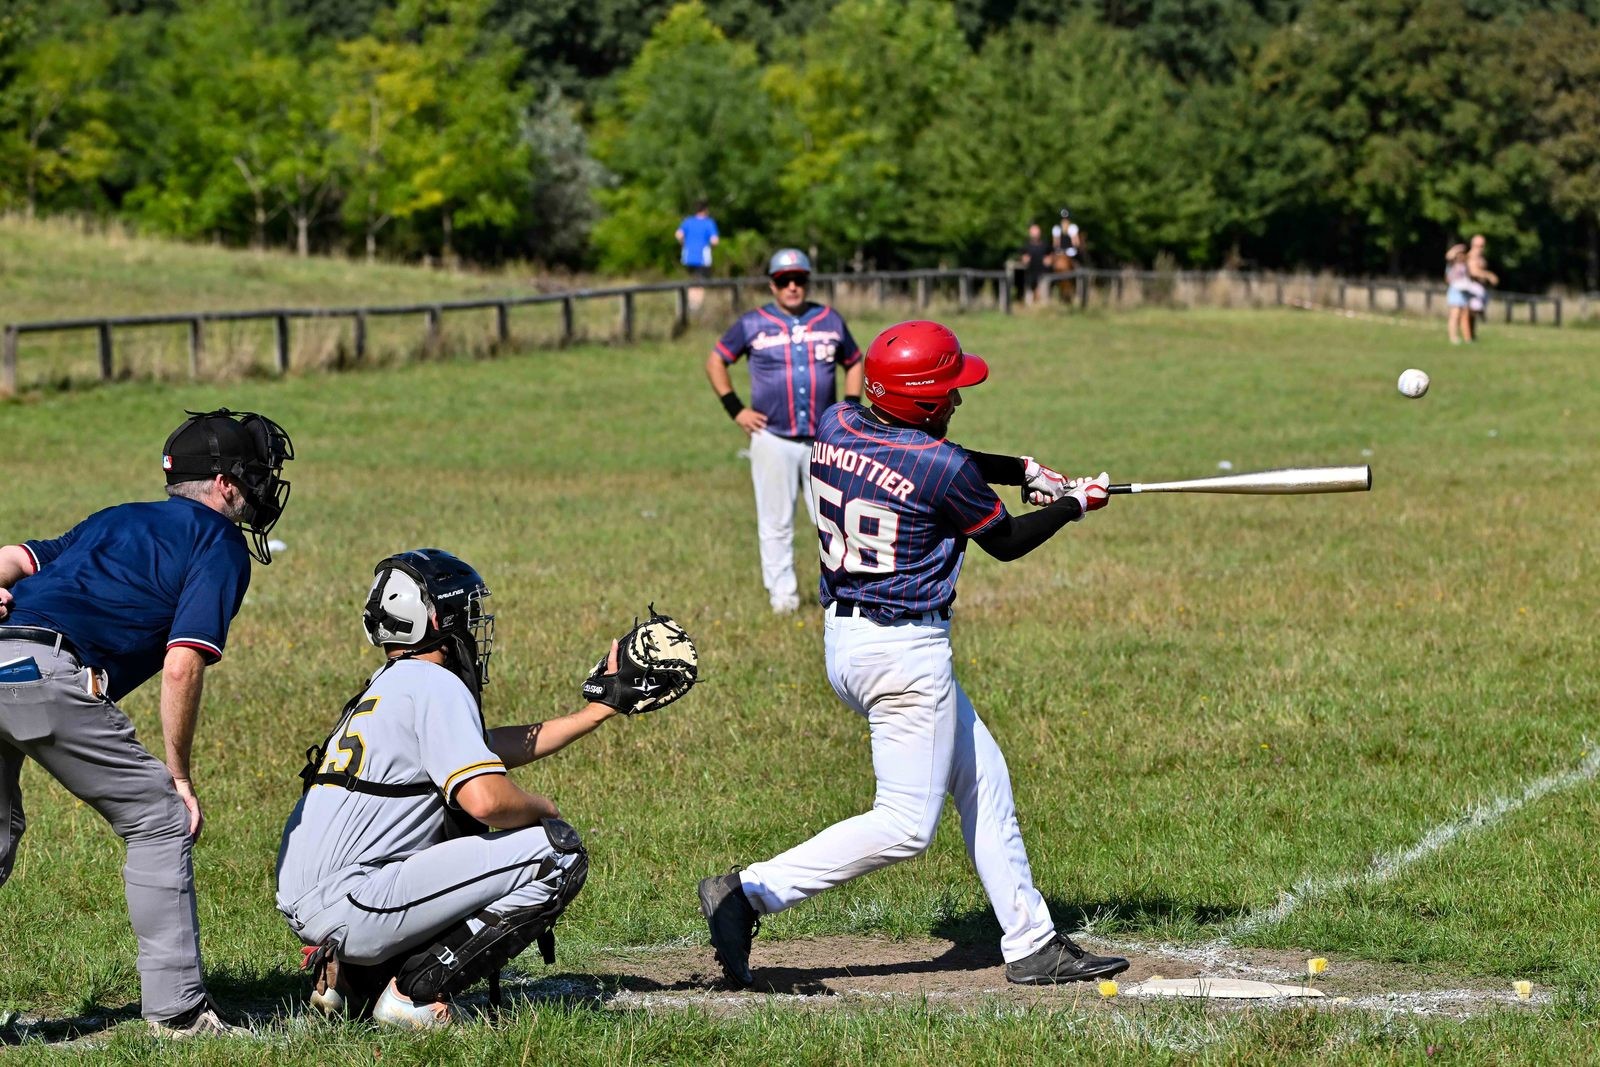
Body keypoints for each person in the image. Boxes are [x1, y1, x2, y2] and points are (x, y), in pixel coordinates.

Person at [698, 320, 1129, 987]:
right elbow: (1007, 539)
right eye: (949, 391)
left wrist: (1023, 470)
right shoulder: (943, 468)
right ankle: (747, 892)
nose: (958, 400)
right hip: (905, 656)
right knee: (905, 825)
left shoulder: (838, 421)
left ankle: (1032, 940)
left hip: (847, 639)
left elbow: (936, 460)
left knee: (984, 776)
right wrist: (1073, 502)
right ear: (924, 402)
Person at [0, 408, 293, 1037]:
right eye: (254, 474)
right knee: (158, 818)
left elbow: (15, 560)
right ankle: (180, 1012)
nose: (261, 487)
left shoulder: (115, 517)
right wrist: (179, 777)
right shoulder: (218, 542)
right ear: (224, 483)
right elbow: (183, 662)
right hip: (41, 674)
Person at [276, 549, 646, 1029]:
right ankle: (414, 993)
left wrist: (595, 712)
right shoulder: (434, 683)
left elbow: (489, 746)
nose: (474, 624)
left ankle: (350, 983)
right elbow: (486, 800)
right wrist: (543, 808)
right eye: (467, 610)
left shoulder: (388, 685)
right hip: (356, 903)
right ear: (435, 617)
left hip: (320, 903)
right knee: (559, 853)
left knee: (440, 848)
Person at [704, 249, 862, 614]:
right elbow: (716, 360)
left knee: (835, 519)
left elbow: (854, 361)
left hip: (824, 440)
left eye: (799, 279)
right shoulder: (752, 323)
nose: (792, 287)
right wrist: (736, 409)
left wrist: (849, 409)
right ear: (772, 284)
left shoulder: (829, 319)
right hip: (772, 436)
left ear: (807, 281)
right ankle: (783, 597)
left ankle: (844, 592)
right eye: (783, 280)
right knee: (775, 520)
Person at [676, 202, 720, 310]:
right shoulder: (708, 223)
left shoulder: (688, 221)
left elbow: (678, 234)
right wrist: (710, 247)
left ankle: (688, 304)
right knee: (700, 283)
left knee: (692, 281)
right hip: (702, 258)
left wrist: (684, 244)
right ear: (705, 210)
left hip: (688, 257)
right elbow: (715, 241)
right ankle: (695, 308)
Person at [1466, 234, 1499, 340]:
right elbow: (1473, 271)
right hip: (1473, 287)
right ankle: (1469, 334)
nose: (1480, 248)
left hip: (1480, 287)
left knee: (1475, 312)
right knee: (1473, 310)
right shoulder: (1471, 256)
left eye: (1482, 246)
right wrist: (1489, 275)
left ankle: (1471, 335)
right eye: (1478, 245)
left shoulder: (1480, 257)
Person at [1444, 243, 1477, 344]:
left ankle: (1467, 338)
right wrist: (1456, 248)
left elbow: (1472, 255)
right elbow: (1448, 255)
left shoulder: (1465, 265)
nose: (1460, 256)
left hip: (1464, 291)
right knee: (1455, 315)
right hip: (1455, 291)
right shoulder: (1452, 264)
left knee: (1465, 316)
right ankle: (1453, 337)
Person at [1020, 224, 1050, 306]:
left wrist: (1049, 259)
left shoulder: (1045, 245)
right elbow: (1022, 258)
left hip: (1042, 274)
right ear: (1029, 233)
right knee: (1029, 300)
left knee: (1043, 300)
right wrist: (1024, 259)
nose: (1035, 233)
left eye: (1036, 231)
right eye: (1033, 231)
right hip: (1029, 275)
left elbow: (1050, 256)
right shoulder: (1026, 246)